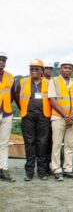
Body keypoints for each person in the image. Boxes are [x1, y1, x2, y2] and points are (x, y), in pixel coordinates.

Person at [15, 59, 52, 181]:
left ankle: (42, 171)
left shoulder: (49, 82)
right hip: (28, 116)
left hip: (44, 116)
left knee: (42, 143)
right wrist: (24, 109)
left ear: (42, 70)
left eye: (37, 68)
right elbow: (16, 97)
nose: (34, 70)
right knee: (29, 143)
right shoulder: (22, 82)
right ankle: (29, 172)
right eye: (32, 68)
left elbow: (52, 99)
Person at [48, 60, 73, 181]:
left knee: (69, 145)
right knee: (56, 145)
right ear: (60, 69)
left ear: (72, 70)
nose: (67, 70)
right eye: (65, 67)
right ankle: (56, 169)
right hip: (58, 118)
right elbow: (52, 100)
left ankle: (68, 169)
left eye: (70, 68)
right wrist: (65, 115)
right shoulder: (54, 81)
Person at [0, 52, 16, 182]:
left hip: (6, 113)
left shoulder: (10, 77)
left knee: (4, 143)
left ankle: (3, 169)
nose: (1, 62)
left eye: (3, 60)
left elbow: (11, 95)